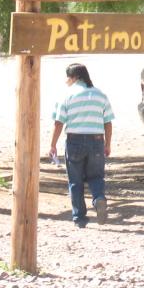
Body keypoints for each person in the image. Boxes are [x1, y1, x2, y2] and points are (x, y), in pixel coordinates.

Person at [49, 63, 114, 228]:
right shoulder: (101, 95)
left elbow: (58, 123)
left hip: (74, 140)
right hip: (97, 140)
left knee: (75, 181)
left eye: (67, 77)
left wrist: (53, 145)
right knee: (96, 176)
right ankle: (99, 198)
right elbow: (108, 122)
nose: (66, 81)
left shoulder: (66, 95)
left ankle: (79, 218)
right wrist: (108, 143)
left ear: (74, 77)